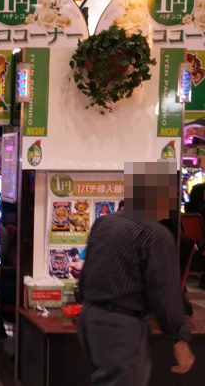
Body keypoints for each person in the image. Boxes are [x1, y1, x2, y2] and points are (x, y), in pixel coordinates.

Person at [77, 161, 194, 386]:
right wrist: (179, 340)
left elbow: (86, 277)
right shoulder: (156, 234)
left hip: (90, 318)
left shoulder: (104, 222)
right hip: (122, 328)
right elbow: (165, 292)